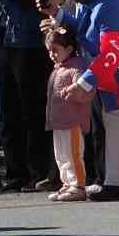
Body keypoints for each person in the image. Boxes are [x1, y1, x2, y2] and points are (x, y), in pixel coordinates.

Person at [47, 0, 119, 201]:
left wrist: (84, 82)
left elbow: (113, 51)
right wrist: (57, 14)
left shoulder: (109, 4)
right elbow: (89, 30)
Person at [0, 0, 53, 192]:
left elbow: (26, 22)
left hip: (30, 50)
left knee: (31, 113)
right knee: (8, 112)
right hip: (8, 47)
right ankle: (15, 171)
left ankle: (36, 171)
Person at [43, 26, 93, 202]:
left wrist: (75, 91)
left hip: (72, 122)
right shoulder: (59, 68)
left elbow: (87, 90)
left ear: (69, 49)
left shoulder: (76, 67)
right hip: (59, 122)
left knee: (73, 154)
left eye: (55, 50)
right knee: (61, 155)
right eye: (49, 51)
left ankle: (78, 185)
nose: (52, 54)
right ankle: (67, 183)